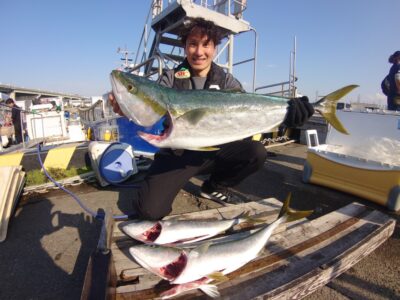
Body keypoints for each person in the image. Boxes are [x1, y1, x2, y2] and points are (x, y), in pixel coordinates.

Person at [109, 18, 314, 220]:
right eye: (192, 44)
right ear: (185, 47)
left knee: (256, 152)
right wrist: (126, 108)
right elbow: (149, 111)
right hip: (177, 154)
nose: (199, 52)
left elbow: (248, 112)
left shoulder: (227, 81)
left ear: (215, 48)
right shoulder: (169, 79)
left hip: (216, 150)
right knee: (149, 211)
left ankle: (214, 186)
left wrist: (287, 115)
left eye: (206, 45)